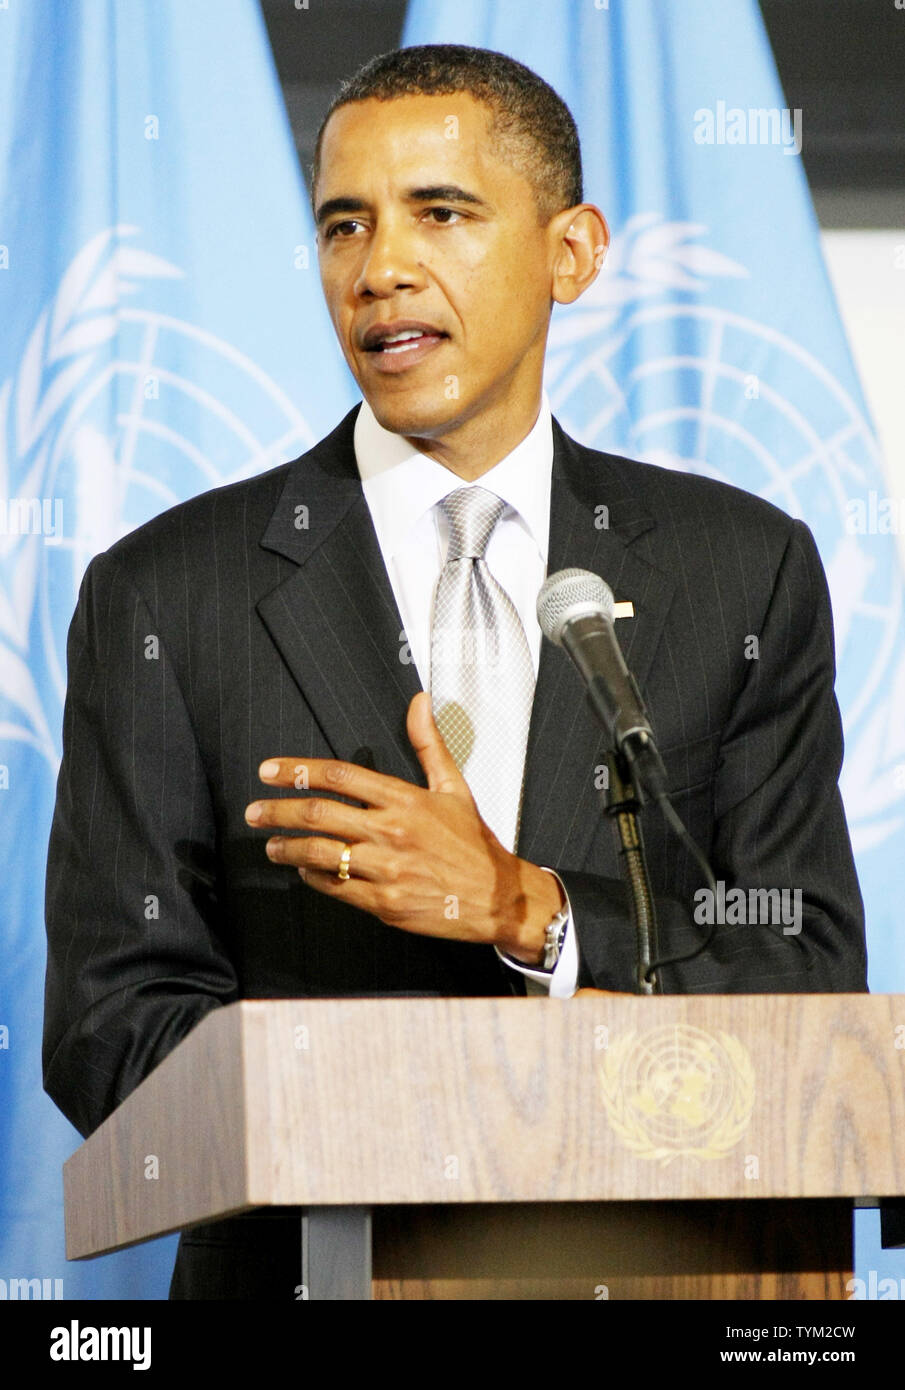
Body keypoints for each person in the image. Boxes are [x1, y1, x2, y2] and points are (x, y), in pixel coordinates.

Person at [42, 44, 867, 1300]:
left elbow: (799, 962)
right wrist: (393, 1111)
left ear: (570, 252)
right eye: (343, 225)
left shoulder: (735, 571)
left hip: (670, 1273)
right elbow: (111, 1013)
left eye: (440, 213)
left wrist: (529, 909)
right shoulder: (167, 592)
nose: (380, 269)